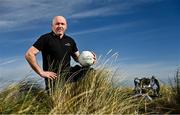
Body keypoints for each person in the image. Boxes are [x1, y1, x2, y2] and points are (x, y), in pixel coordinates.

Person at [25, 16, 93, 93]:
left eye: (62, 24)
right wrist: (41, 72)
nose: (60, 26)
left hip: (68, 73)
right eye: (57, 24)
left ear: (66, 26)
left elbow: (78, 59)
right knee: (58, 101)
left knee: (91, 72)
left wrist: (90, 58)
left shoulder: (70, 41)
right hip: (54, 76)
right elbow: (29, 54)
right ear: (52, 26)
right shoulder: (45, 38)